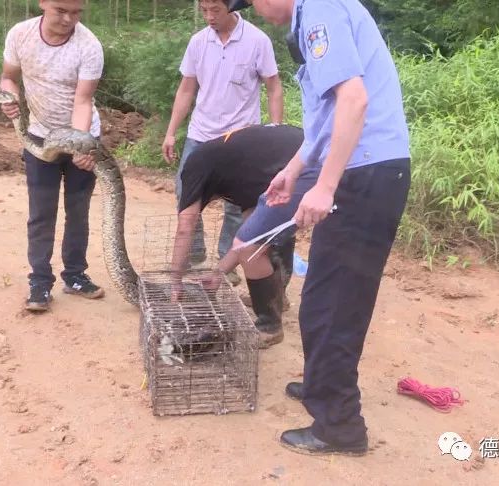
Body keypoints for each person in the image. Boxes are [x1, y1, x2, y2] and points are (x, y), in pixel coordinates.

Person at [229, 0, 412, 456]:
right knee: (324, 297)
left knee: (333, 303)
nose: (255, 13)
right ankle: (320, 385)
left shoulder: (321, 10)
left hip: (363, 174)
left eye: (251, 3)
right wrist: (293, 170)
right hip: (365, 171)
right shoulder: (320, 13)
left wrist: (326, 186)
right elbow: (327, 120)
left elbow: (355, 100)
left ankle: (340, 427)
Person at [161, 0, 284, 286]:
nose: (208, 17)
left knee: (235, 203)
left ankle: (225, 264)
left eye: (214, 10)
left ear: (230, 6)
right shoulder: (198, 42)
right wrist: (170, 132)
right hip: (201, 134)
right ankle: (193, 253)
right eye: (203, 10)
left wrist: (275, 131)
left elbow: (274, 86)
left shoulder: (257, 40)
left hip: (241, 139)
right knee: (186, 192)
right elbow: (187, 88)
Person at [0, 0, 105, 312]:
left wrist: (80, 146)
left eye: (76, 12)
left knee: (78, 210)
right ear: (43, 3)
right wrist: (10, 97)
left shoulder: (89, 45)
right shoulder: (20, 35)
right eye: (61, 11)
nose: (69, 19)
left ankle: (75, 276)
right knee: (41, 212)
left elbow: (83, 101)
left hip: (81, 134)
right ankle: (40, 283)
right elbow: (8, 77)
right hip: (39, 138)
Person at [169, 123, 314, 348]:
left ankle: (270, 326)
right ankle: (276, 298)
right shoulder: (240, 175)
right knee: (260, 237)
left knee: (254, 246)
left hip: (307, 161)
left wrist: (175, 282)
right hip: (299, 149)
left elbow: (185, 227)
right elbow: (250, 231)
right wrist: (218, 273)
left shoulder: (196, 166)